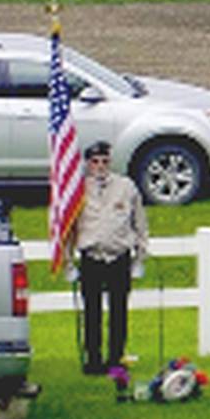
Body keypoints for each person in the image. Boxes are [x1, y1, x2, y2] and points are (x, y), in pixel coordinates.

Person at [65, 140, 148, 374]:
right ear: (87, 163)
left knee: (118, 312)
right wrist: (68, 262)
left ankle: (116, 358)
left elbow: (140, 224)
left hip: (118, 256)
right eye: (95, 162)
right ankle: (93, 358)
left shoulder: (126, 187)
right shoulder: (78, 190)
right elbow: (69, 229)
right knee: (91, 313)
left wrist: (139, 258)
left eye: (105, 161)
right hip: (91, 256)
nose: (100, 166)